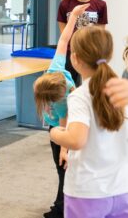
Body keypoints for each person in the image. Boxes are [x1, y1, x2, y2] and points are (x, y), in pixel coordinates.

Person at [49, 26, 128, 218]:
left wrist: (55, 132)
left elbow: (76, 139)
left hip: (88, 193)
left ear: (74, 59)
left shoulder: (80, 96)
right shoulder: (121, 91)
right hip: (121, 189)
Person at [33, 3, 90, 218]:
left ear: (52, 99)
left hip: (64, 129)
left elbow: (65, 123)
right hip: (56, 126)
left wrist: (64, 148)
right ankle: (63, 205)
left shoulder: (65, 101)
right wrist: (73, 16)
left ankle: (62, 208)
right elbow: (64, 41)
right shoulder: (56, 69)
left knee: (63, 168)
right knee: (64, 169)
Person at [57, 0, 108, 86]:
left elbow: (100, 32)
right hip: (71, 53)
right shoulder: (64, 5)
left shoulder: (101, 5)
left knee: (93, 86)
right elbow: (63, 33)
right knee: (69, 86)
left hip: (91, 52)